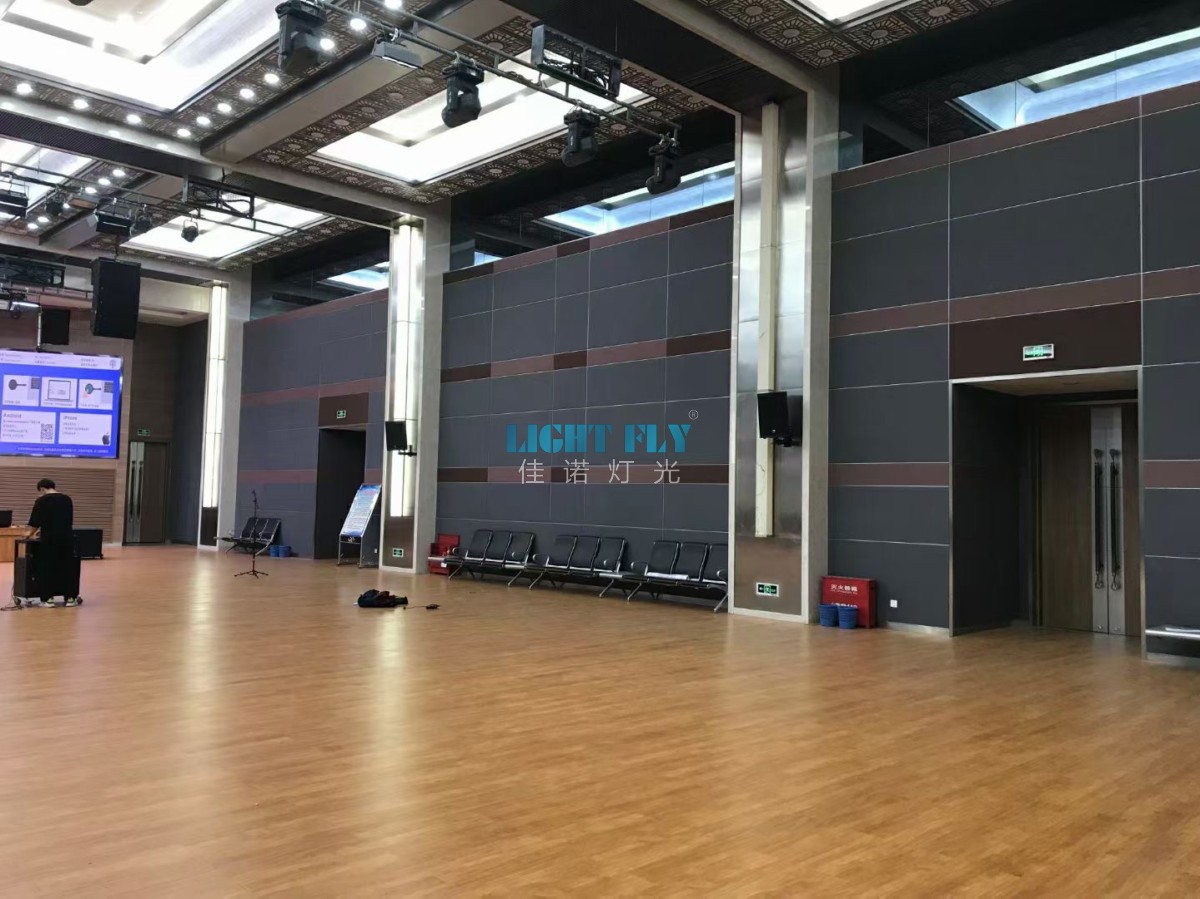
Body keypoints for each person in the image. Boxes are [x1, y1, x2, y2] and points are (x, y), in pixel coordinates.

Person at [27, 478, 76, 607]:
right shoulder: (67, 499)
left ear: (42, 488)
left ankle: (48, 599)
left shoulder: (41, 501)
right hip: (66, 538)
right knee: (67, 567)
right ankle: (70, 598)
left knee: (47, 567)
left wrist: (29, 534)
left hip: (49, 539)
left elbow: (35, 523)